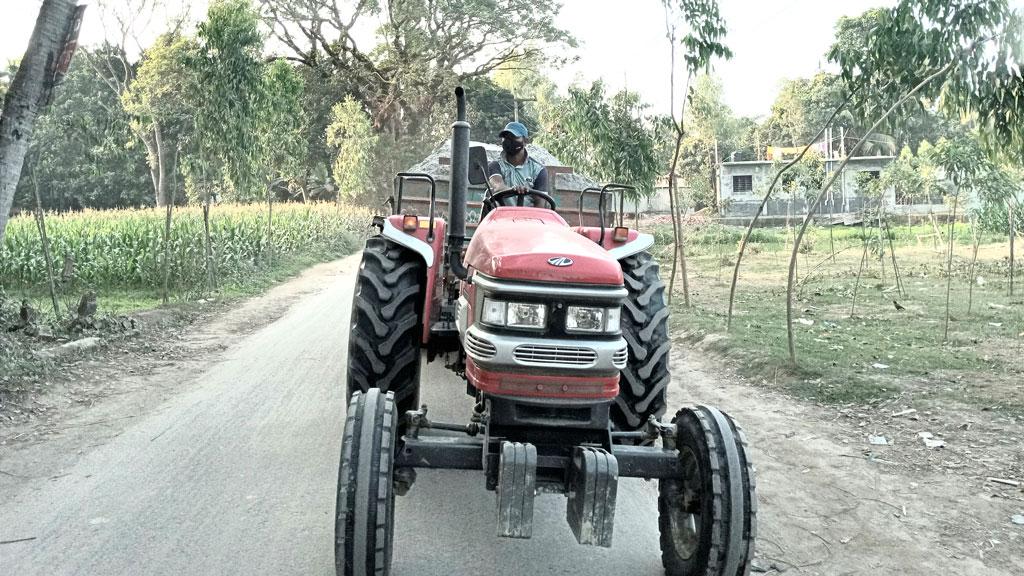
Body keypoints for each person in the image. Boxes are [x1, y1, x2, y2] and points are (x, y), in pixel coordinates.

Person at [486, 121, 549, 197]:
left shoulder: (538, 170)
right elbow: (498, 187)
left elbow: (541, 203)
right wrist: (514, 190)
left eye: (514, 137)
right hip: (502, 209)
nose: (509, 141)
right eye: (506, 137)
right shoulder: (495, 165)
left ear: (525, 141)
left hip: (529, 209)